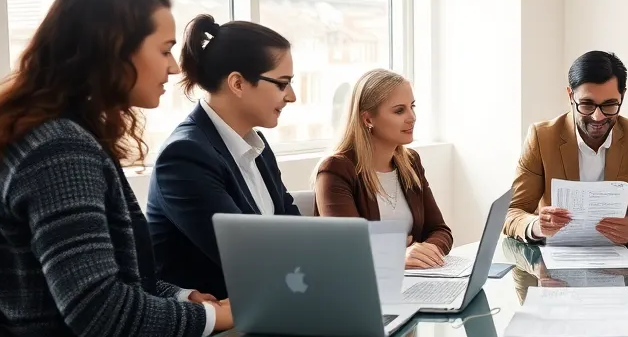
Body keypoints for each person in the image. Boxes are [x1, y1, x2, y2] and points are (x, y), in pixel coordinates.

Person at [0, 0, 231, 337]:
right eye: (164, 50)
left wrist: (179, 297)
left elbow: (108, 278)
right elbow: (99, 309)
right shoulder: (61, 151)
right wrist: (216, 317)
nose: (174, 67)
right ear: (114, 50)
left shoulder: (63, 137)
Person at [147, 15, 300, 299]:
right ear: (238, 83)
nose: (291, 96)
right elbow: (248, 257)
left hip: (271, 303)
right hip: (215, 320)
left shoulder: (257, 146)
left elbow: (297, 233)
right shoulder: (185, 156)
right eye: (282, 84)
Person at [504, 50, 628, 245]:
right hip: (555, 255)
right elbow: (513, 211)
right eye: (587, 104)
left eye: (609, 105)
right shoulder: (542, 137)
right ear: (571, 96)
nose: (598, 117)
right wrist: (536, 226)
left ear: (622, 96)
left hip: (614, 254)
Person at [315, 68, 453, 269]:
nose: (412, 117)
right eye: (399, 110)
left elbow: (440, 230)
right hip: (361, 283)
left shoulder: (411, 162)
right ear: (368, 119)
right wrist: (398, 255)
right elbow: (348, 248)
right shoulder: (335, 170)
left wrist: (425, 251)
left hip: (411, 278)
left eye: (412, 106)